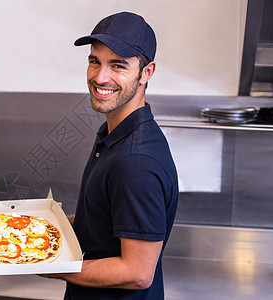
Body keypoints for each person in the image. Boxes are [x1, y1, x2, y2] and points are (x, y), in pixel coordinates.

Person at [43, 12, 179, 299]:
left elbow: (137, 273)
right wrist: (38, 226)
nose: (100, 77)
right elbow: (104, 217)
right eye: (95, 61)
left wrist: (42, 263)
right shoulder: (116, 135)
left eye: (118, 65)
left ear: (147, 72)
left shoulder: (136, 161)